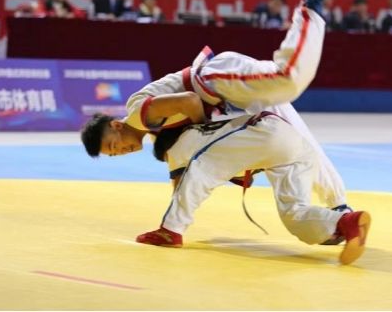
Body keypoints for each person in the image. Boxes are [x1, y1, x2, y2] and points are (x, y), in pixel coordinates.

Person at [80, 0, 351, 245]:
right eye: (114, 154)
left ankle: (311, 6)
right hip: (231, 102)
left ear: (116, 125)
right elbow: (183, 176)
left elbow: (189, 101)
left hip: (215, 83)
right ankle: (341, 209)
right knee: (302, 142)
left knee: (288, 78)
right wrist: (173, 216)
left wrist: (211, 134)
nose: (121, 151)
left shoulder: (138, 113)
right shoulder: (158, 138)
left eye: (114, 145)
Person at [134, 112, 371, 265]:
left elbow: (186, 182)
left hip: (266, 132)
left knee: (201, 169)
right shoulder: (209, 132)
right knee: (294, 213)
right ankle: (344, 223)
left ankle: (170, 231)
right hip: (291, 141)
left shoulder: (179, 146)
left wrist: (174, 217)